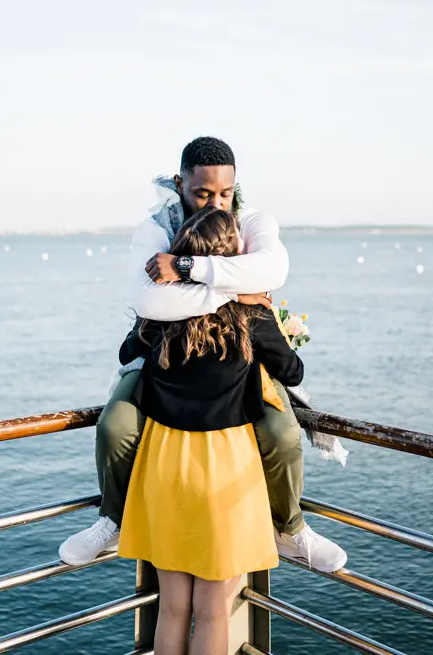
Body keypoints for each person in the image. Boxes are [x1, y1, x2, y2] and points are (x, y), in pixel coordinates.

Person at [59, 136, 346, 573]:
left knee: (283, 435)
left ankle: (290, 529)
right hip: (164, 344)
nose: (215, 204)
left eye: (224, 194)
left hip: (242, 349)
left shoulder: (250, 220)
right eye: (203, 193)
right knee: (114, 426)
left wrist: (188, 270)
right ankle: (112, 520)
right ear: (180, 184)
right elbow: (149, 302)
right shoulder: (156, 227)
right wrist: (237, 295)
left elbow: (274, 269)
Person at [117, 206, 305, 654]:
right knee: (215, 608)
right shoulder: (250, 317)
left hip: (164, 461)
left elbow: (128, 351)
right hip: (224, 466)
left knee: (174, 606)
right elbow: (293, 372)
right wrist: (267, 318)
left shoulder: (160, 315)